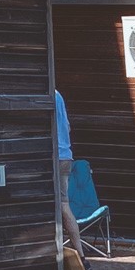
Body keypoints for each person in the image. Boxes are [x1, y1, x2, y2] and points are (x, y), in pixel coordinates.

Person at [53, 90, 83, 260]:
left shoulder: (49, 93)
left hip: (55, 157)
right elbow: (68, 127)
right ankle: (80, 256)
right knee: (64, 204)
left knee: (63, 206)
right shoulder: (60, 96)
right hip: (66, 156)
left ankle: (80, 256)